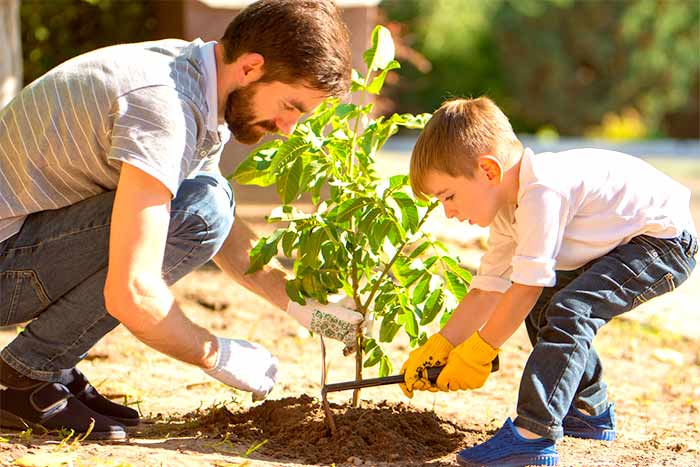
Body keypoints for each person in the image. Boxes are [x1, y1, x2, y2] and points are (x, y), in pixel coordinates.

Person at [0, 0, 361, 440]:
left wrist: (312, 312)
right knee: (201, 207)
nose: (288, 127)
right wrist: (216, 353)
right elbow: (133, 290)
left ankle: (41, 366)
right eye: (291, 105)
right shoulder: (163, 108)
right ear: (251, 67)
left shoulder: (195, 75)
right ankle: (22, 376)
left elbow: (219, 225)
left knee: (211, 200)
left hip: (18, 248)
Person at [400, 97, 697, 467]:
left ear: (489, 171)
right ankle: (588, 410)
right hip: (628, 243)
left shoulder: (542, 191)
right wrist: (444, 344)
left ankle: (532, 435)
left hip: (663, 242)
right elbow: (489, 288)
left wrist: (479, 351)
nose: (449, 211)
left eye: (449, 196)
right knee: (545, 305)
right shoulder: (509, 210)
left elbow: (524, 287)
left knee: (572, 310)